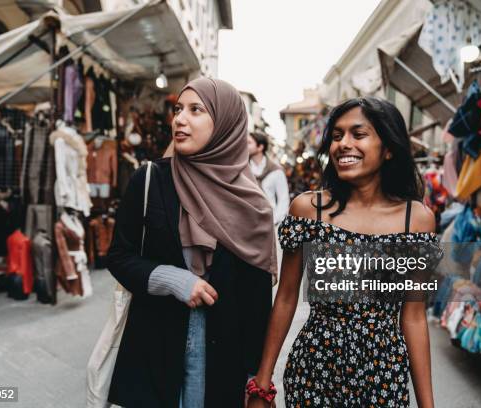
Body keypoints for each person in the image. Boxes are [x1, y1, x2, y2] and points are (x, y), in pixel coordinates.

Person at [248, 97, 438, 407]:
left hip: (384, 374)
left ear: (388, 148)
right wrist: (262, 383)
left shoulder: (416, 220)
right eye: (337, 136)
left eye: (358, 134)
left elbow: (414, 317)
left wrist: (427, 405)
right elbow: (285, 298)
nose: (343, 144)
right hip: (314, 369)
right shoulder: (309, 210)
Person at [106, 77, 277, 408]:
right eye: (178, 109)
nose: (180, 119)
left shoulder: (253, 206)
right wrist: (173, 280)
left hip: (222, 364)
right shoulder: (151, 179)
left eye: (196, 110)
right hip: (154, 352)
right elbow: (119, 256)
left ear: (226, 123)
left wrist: (256, 380)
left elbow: (256, 306)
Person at [247, 132, 290, 226]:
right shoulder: (244, 169)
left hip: (269, 221)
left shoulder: (276, 171)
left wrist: (274, 221)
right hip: (247, 222)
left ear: (260, 147)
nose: (245, 146)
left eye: (249, 143)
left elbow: (283, 199)